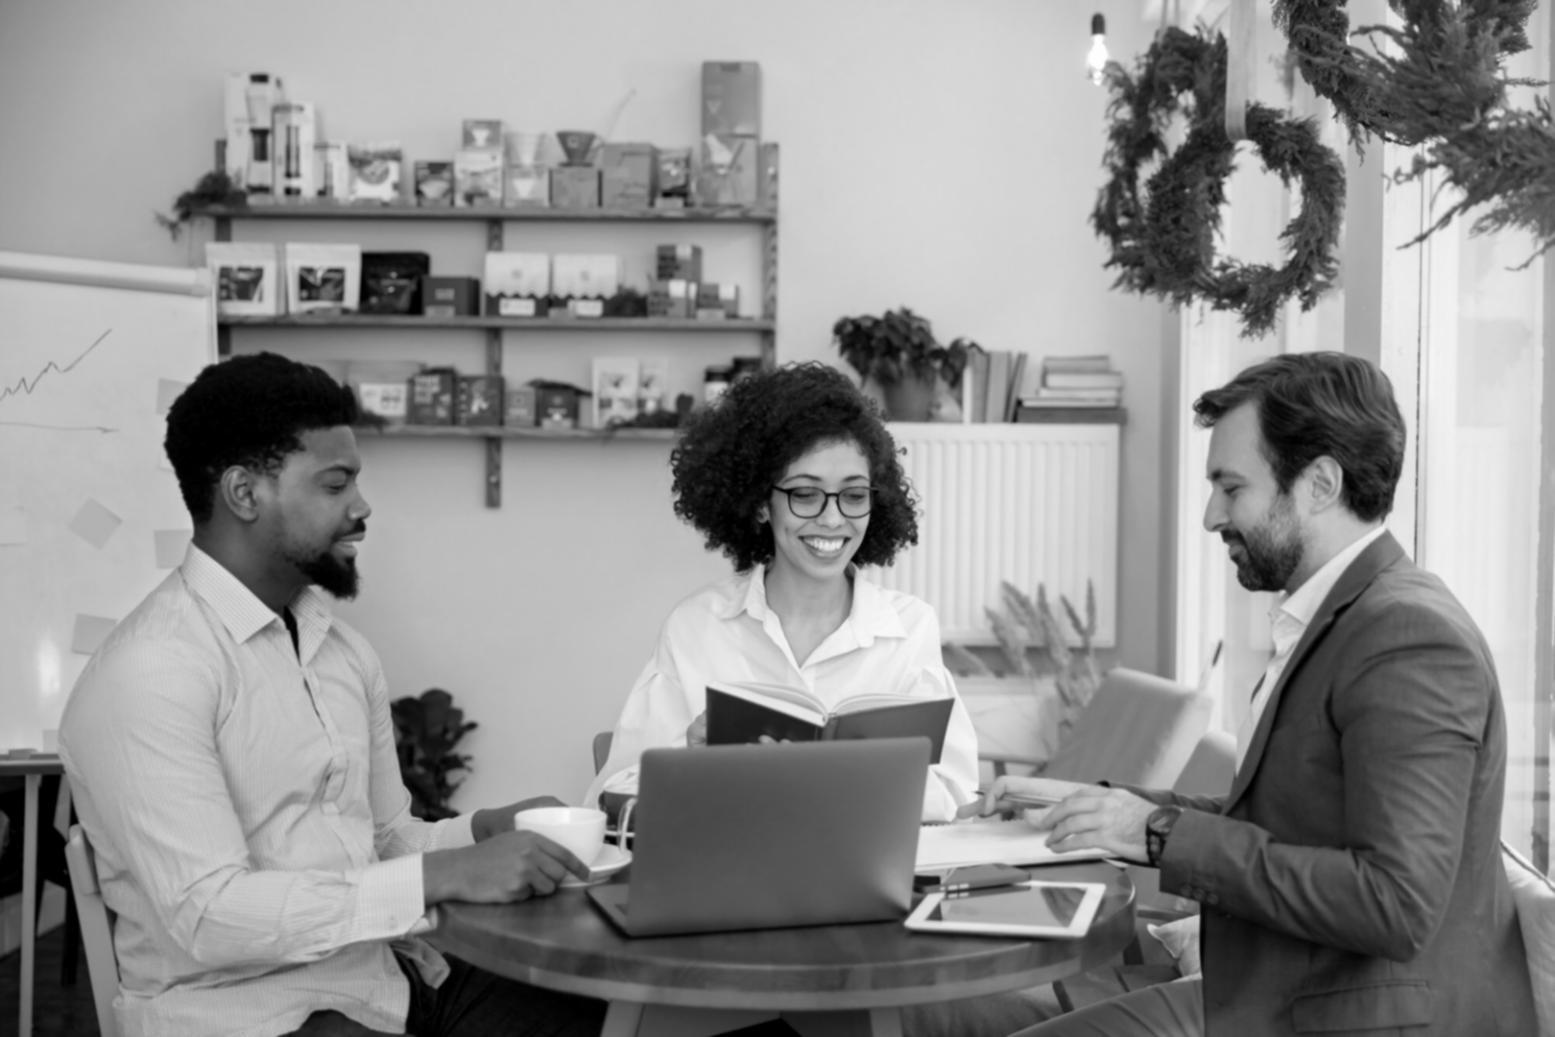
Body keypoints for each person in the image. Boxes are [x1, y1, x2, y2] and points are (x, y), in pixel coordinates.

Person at [973, 352, 1536, 1037]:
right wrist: (1109, 807)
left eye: (1230, 486)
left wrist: (1154, 835)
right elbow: (1293, 818)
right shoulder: (1346, 615)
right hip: (1294, 995)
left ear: (1319, 483)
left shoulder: (1406, 637)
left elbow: (1393, 903)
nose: (1211, 516)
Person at [58, 353, 606, 1037]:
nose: (361, 507)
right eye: (335, 483)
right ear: (244, 493)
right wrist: (446, 875)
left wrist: (481, 830)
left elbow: (380, 838)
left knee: (602, 1014)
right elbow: (209, 916)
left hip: (381, 983)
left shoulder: (339, 651)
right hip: (245, 1013)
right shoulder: (150, 672)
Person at [585, 362, 980, 822]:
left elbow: (956, 795)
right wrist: (690, 756)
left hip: (863, 883)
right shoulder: (697, 626)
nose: (833, 519)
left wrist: (847, 777)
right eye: (805, 494)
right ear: (758, 504)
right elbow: (611, 798)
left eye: (853, 495)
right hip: (729, 881)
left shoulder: (911, 629)